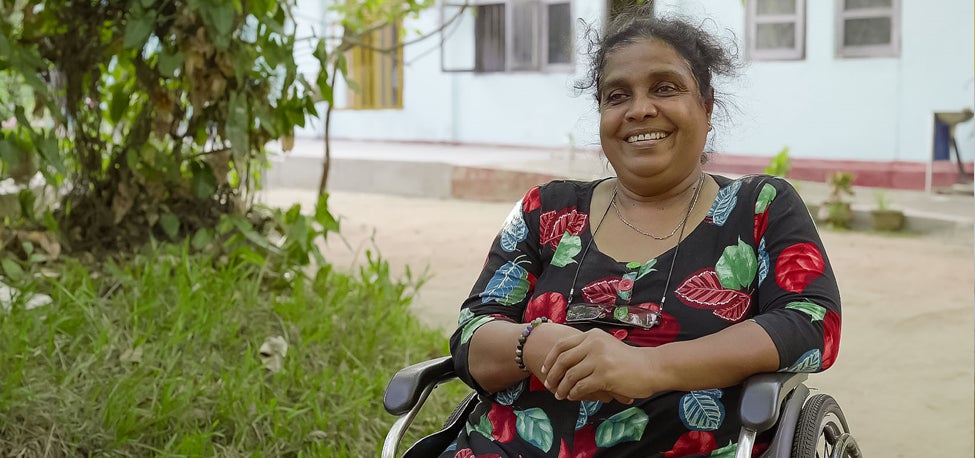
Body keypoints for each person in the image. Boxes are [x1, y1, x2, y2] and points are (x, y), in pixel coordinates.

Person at [444, 7, 841, 458]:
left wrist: (649, 366)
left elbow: (811, 324)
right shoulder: (546, 210)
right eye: (617, 96)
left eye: (665, 88)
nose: (639, 109)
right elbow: (473, 333)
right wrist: (533, 344)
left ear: (706, 105)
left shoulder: (759, 208)